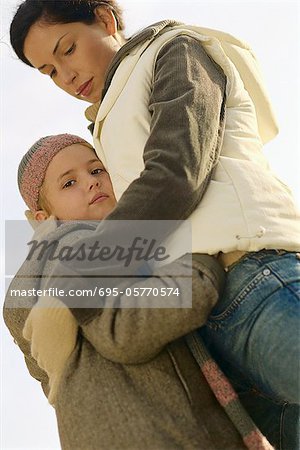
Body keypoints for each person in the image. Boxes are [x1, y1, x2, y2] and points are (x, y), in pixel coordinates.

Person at [9, 1, 300, 448]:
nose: (65, 77)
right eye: (49, 71)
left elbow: (175, 170)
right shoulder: (105, 128)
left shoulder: (173, 49)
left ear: (105, 20)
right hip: (214, 326)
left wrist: (87, 273)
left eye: (67, 49)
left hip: (254, 273)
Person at [3, 133, 270, 450]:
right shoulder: (80, 243)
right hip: (162, 434)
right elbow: (128, 328)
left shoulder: (37, 279)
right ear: (43, 220)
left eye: (96, 170)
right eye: (68, 184)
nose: (90, 182)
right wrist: (200, 263)